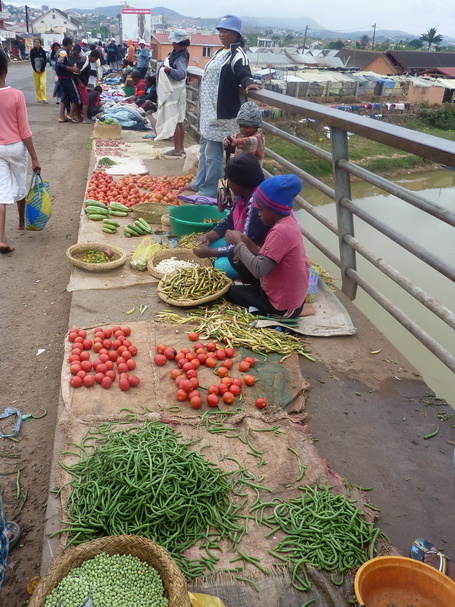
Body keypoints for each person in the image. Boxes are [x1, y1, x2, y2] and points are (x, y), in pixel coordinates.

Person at [187, 15, 260, 197]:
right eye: (220, 31)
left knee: (214, 155)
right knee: (204, 150)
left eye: (226, 31)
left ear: (236, 34)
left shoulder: (237, 54)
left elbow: (244, 72)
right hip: (209, 112)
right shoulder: (221, 52)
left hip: (222, 115)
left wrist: (248, 82)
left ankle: (209, 191)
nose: (222, 34)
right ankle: (199, 182)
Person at [224, 174, 310, 318]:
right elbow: (269, 258)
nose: (259, 214)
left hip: (283, 306)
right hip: (278, 290)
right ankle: (258, 293)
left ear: (273, 208)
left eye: (262, 209)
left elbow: (259, 270)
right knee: (234, 254)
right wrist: (249, 244)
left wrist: (238, 243)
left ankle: (265, 310)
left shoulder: (280, 232)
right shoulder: (287, 223)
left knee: (229, 293)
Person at [193, 153, 269, 280]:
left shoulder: (258, 206)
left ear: (240, 182)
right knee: (209, 244)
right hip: (238, 240)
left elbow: (247, 244)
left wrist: (211, 253)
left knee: (220, 267)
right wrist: (208, 236)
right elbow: (229, 221)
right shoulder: (241, 195)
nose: (227, 184)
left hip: (254, 253)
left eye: (229, 180)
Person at [0, 48, 41, 253]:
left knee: (2, 191)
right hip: (15, 147)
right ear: (5, 71)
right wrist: (34, 158)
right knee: (20, 184)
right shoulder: (16, 95)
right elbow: (24, 130)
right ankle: (22, 222)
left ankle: (2, 237)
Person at [154, 29, 190, 156]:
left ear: (176, 42)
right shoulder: (177, 53)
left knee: (175, 120)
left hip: (174, 92)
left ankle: (177, 149)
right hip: (177, 92)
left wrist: (169, 71)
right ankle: (180, 149)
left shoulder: (180, 57)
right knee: (179, 120)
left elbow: (181, 74)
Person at [223, 101, 265, 165]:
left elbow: (252, 142)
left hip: (251, 173)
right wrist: (228, 143)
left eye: (246, 127)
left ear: (256, 126)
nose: (242, 129)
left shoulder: (259, 138)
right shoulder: (239, 136)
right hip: (239, 170)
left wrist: (237, 142)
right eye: (240, 126)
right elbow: (233, 147)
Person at [55, 38, 81, 123]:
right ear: (69, 45)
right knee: (76, 97)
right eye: (71, 46)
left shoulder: (58, 51)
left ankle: (62, 116)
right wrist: (72, 69)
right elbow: (60, 64)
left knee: (64, 97)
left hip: (61, 78)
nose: (71, 48)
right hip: (66, 77)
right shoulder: (63, 52)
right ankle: (70, 115)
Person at [30, 38, 48, 103]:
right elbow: (32, 61)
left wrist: (41, 69)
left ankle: (44, 98)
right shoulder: (32, 51)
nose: (37, 44)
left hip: (42, 71)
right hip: (35, 71)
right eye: (35, 42)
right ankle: (39, 97)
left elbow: (45, 61)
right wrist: (35, 69)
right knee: (37, 84)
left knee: (42, 84)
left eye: (38, 42)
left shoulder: (43, 51)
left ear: (40, 44)